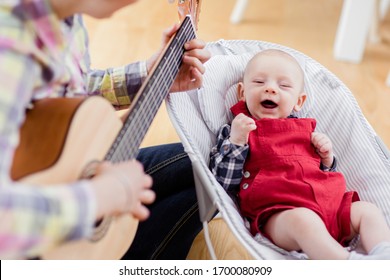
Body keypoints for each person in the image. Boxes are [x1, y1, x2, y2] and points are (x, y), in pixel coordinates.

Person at [0, 0, 210, 259]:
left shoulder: (66, 16)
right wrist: (103, 196)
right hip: (30, 243)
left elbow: (66, 92)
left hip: (65, 172)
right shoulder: (10, 47)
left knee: (209, 167)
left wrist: (148, 75)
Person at [209, 49, 390, 260]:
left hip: (330, 206)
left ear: (299, 101)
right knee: (304, 221)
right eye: (259, 82)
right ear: (242, 93)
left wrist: (327, 158)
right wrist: (237, 140)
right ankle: (346, 263)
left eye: (283, 86)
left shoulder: (307, 131)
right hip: (280, 214)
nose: (270, 89)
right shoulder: (238, 130)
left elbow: (321, 174)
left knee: (367, 211)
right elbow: (222, 181)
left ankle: (384, 256)